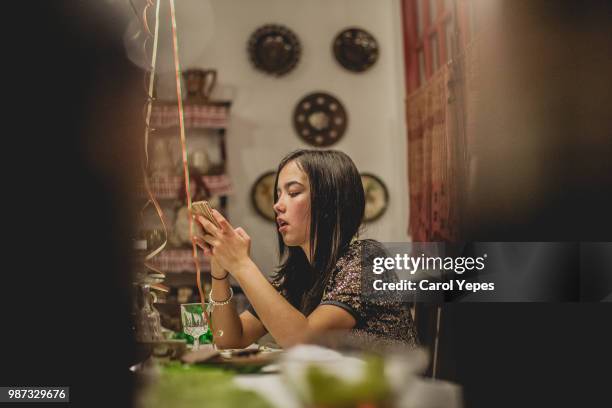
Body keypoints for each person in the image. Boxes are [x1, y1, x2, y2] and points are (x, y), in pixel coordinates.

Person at [194, 149, 417, 348]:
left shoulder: (365, 260)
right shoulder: (297, 273)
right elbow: (230, 339)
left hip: (388, 390)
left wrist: (241, 264)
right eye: (278, 194)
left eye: (293, 193)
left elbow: (304, 342)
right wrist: (220, 269)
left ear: (328, 201)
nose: (277, 205)